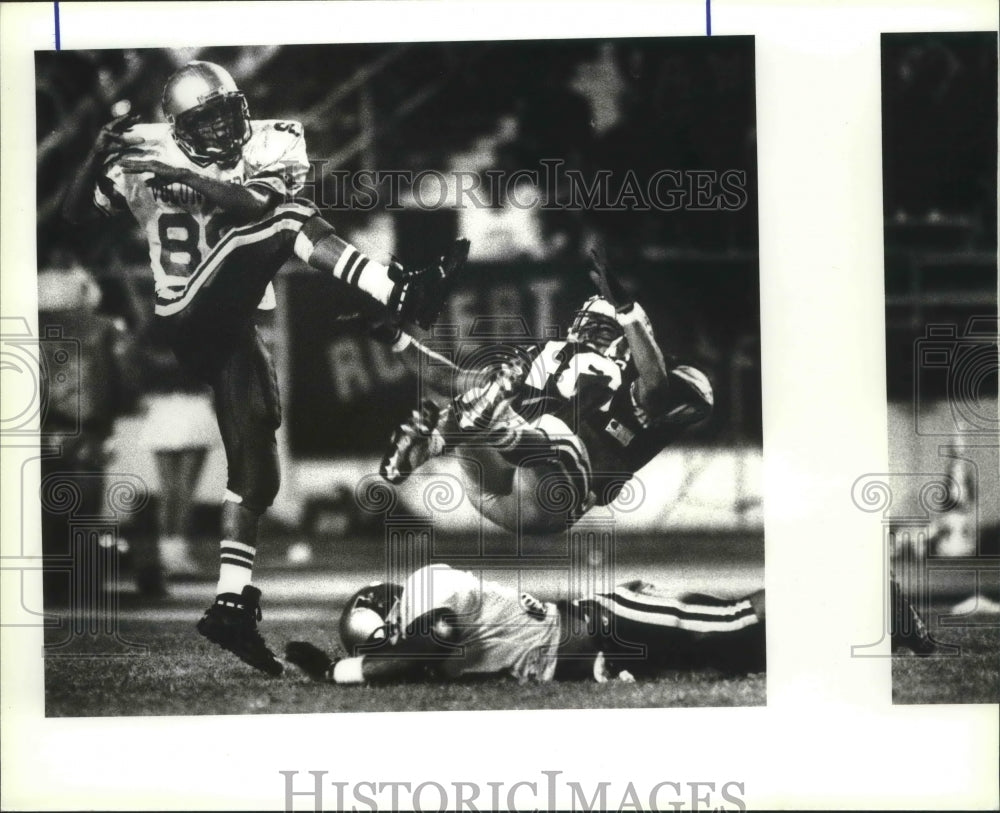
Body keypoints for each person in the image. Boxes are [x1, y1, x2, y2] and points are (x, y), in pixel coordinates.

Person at [62, 60, 468, 676]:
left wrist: (182, 173)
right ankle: (400, 293)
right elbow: (74, 215)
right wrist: (97, 157)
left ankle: (229, 604)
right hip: (186, 308)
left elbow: (251, 202)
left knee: (257, 470)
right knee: (287, 219)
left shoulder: (270, 141)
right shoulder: (145, 149)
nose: (226, 129)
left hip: (231, 323)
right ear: (177, 125)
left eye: (230, 113)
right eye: (208, 119)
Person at [378, 252, 713, 534]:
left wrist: (398, 340)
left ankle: (446, 438)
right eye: (586, 326)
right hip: (534, 490)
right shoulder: (595, 368)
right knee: (497, 409)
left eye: (595, 328)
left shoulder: (568, 361)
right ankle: (453, 437)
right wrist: (627, 312)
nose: (583, 333)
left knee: (478, 402)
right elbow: (447, 377)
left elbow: (445, 378)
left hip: (524, 488)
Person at [285, 563, 767, 685]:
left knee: (736, 623)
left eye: (375, 647)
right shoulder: (415, 627)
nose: (379, 657)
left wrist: (338, 672)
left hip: (611, 623)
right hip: (604, 657)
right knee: (747, 656)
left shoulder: (425, 587)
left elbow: (435, 639)